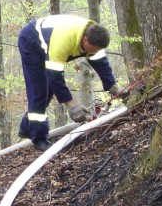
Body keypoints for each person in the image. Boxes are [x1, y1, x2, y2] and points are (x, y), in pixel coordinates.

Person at [17, 14, 126, 151]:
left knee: (48, 91)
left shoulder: (95, 39)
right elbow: (55, 76)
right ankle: (39, 139)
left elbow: (102, 64)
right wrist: (71, 105)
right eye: (92, 50)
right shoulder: (62, 42)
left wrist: (113, 87)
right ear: (85, 40)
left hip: (49, 41)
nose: (94, 53)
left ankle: (27, 127)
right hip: (31, 41)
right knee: (39, 90)